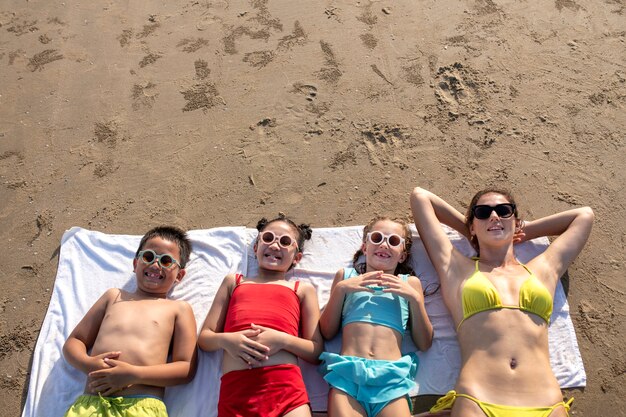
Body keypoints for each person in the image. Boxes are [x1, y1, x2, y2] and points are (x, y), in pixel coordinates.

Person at [410, 187, 594, 417]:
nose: (494, 216)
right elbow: (420, 197)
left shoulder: (542, 269)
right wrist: (473, 232)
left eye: (504, 211)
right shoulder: (456, 269)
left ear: (516, 221)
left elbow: (584, 216)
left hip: (546, 402)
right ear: (472, 225)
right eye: (483, 212)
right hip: (479, 400)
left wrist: (516, 231)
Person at [62, 226, 198, 417]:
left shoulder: (178, 309)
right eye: (148, 257)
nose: (155, 265)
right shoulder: (114, 297)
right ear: (135, 264)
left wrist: (134, 374)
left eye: (166, 261)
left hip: (142, 407)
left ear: (180, 276)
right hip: (91, 405)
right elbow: (75, 341)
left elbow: (186, 367)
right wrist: (89, 364)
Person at [199, 214, 323, 417]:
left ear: (297, 257)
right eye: (268, 238)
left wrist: (282, 339)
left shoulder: (301, 289)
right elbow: (205, 338)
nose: (275, 246)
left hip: (286, 391)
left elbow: (316, 351)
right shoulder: (235, 282)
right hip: (237, 394)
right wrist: (227, 340)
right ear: (256, 247)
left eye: (284, 242)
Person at [318, 216, 434, 417]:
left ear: (402, 256)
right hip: (349, 375)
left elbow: (424, 343)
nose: (384, 244)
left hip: (390, 378)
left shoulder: (410, 283)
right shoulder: (346, 278)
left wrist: (415, 299)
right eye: (377, 238)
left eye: (394, 241)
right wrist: (341, 290)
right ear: (365, 247)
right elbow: (327, 332)